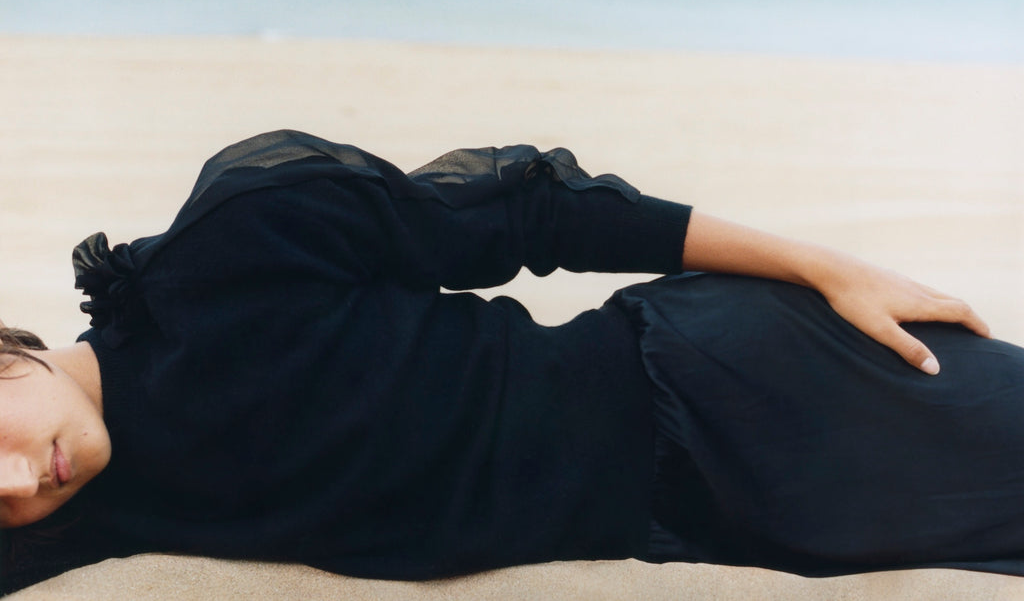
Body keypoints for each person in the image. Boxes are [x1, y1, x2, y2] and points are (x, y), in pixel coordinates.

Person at [1, 130, 1022, 593]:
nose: (13, 486)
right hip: (701, 530)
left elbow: (536, 208)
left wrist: (827, 267)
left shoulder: (232, 248)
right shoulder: (87, 511)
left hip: (737, 384)